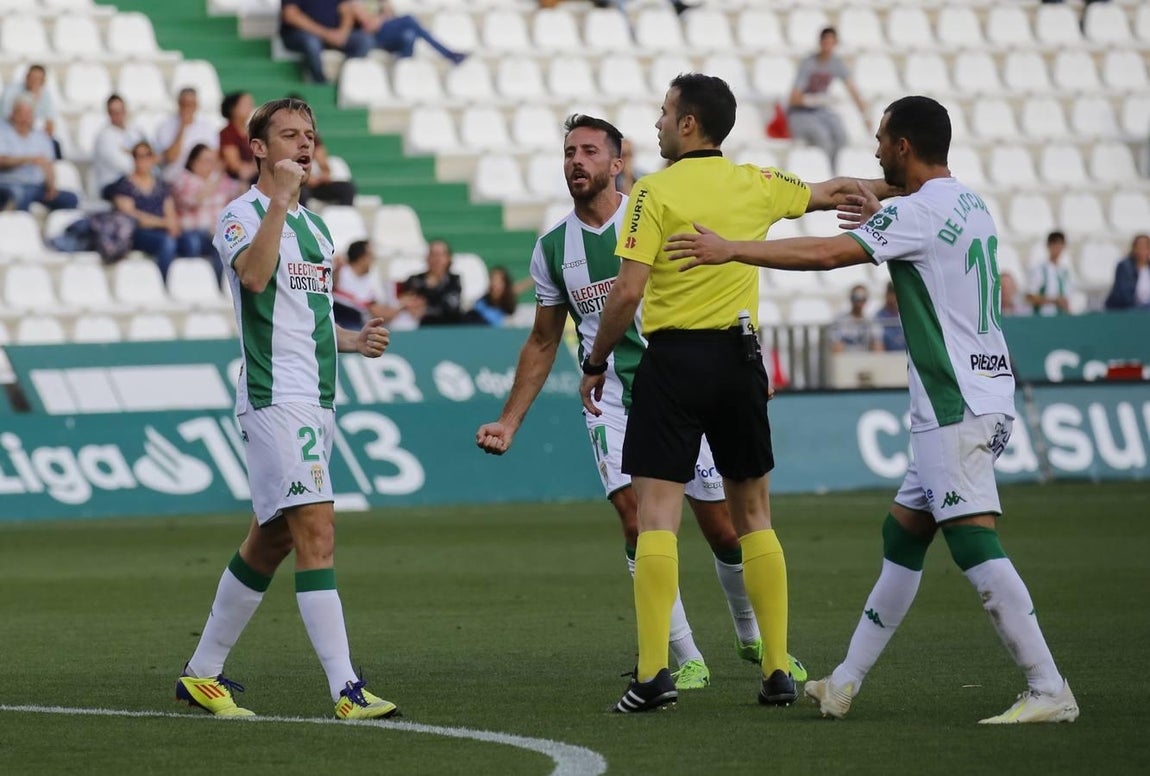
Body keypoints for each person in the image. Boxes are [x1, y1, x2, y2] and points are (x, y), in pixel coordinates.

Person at [664, 95, 1079, 725]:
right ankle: (845, 683)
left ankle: (1047, 687)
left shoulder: (915, 213)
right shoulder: (967, 201)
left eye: (882, 139)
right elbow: (914, 223)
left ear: (905, 146)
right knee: (903, 533)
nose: (875, 149)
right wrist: (884, 203)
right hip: (983, 387)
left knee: (972, 541)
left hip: (953, 400)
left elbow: (829, 255)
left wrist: (733, 248)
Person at [577, 74, 897, 713]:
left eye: (666, 112)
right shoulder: (759, 182)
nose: (659, 121)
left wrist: (595, 359)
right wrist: (907, 186)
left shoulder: (651, 194)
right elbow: (834, 191)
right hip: (739, 359)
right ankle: (777, 669)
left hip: (671, 363)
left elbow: (629, 292)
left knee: (658, 518)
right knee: (755, 517)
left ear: (689, 124)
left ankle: (653, 676)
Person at [478, 114, 803, 692]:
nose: (576, 161)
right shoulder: (554, 248)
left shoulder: (654, 209)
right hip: (612, 397)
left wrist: (742, 369)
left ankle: (753, 635)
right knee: (636, 517)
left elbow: (714, 289)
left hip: (683, 386)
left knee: (723, 529)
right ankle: (683, 655)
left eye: (588, 152)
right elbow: (545, 339)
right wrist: (509, 420)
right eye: (569, 152)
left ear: (616, 161)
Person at [176, 97, 398, 721]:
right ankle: (346, 689)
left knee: (270, 540)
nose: (304, 145)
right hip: (276, 399)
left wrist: (353, 341)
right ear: (259, 149)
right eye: (289, 136)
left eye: (309, 135)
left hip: (318, 398)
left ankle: (201, 673)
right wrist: (277, 200)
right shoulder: (241, 215)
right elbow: (253, 279)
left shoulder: (320, 228)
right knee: (318, 531)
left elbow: (309, 318)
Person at [787, 27, 868, 175]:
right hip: (801, 114)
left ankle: (837, 173)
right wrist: (816, 99)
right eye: (825, 42)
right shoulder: (809, 63)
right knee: (823, 137)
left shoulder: (836, 63)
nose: (828, 46)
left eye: (831, 42)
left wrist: (865, 115)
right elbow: (794, 99)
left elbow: (853, 89)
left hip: (820, 112)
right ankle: (827, 176)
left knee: (841, 136)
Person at [109, 141, 187, 280]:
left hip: (161, 231)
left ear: (152, 158)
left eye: (146, 155)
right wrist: (165, 223)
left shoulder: (160, 185)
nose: (142, 160)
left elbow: (169, 210)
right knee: (166, 243)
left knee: (191, 242)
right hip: (137, 233)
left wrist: (171, 225)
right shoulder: (124, 185)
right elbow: (132, 216)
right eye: (138, 156)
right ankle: (164, 282)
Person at [172, 143, 240, 280]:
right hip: (191, 232)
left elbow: (240, 192)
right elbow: (195, 200)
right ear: (193, 162)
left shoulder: (221, 180)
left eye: (212, 161)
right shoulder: (184, 179)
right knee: (197, 242)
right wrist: (218, 177)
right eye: (206, 160)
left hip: (215, 233)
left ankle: (220, 284)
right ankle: (194, 281)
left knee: (228, 242)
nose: (210, 165)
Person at [0, 97, 78, 211]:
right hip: (11, 184)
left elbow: (49, 166)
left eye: (28, 113)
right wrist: (28, 160)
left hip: (38, 187)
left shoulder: (42, 138)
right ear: (13, 114)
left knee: (71, 199)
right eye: (21, 113)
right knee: (20, 195)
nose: (25, 117)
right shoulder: (3, 135)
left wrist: (51, 186)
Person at [333, 238, 421, 330]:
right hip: (342, 325)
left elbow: (379, 312)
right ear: (361, 257)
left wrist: (403, 305)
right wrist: (402, 305)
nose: (373, 259)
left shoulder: (371, 280)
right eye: (371, 256)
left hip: (357, 326)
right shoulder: (341, 272)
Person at [280, 0, 372, 84]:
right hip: (301, 34)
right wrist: (325, 34)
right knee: (312, 43)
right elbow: (290, 15)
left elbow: (348, 7)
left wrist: (343, 33)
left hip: (335, 33)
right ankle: (320, 83)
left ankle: (348, 82)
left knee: (364, 40)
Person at [352, 1, 467, 65]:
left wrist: (381, 18)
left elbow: (391, 15)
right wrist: (382, 19)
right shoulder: (356, 3)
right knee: (409, 20)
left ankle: (404, 62)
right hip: (375, 38)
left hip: (388, 32)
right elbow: (368, 26)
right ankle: (449, 54)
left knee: (410, 35)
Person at [155, 87, 220, 178]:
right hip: (175, 178)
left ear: (197, 105)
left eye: (191, 104)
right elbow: (171, 157)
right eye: (184, 104)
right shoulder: (165, 126)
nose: (188, 108)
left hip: (201, 178)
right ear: (178, 104)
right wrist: (182, 127)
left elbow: (213, 158)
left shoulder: (207, 127)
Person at [93, 94, 145, 199]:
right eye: (114, 112)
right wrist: (138, 156)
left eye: (121, 111)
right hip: (113, 184)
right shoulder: (104, 137)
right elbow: (126, 166)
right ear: (108, 113)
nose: (119, 115)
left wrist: (130, 153)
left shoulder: (135, 130)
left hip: (135, 180)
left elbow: (150, 155)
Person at [402, 239, 464, 326]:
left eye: (441, 255)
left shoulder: (454, 280)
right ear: (427, 257)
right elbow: (407, 303)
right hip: (419, 328)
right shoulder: (415, 280)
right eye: (433, 254)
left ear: (449, 258)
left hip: (449, 328)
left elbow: (451, 308)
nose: (437, 259)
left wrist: (425, 308)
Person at [0, 64, 57, 140]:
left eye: (38, 79)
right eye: (32, 77)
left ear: (43, 81)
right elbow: (6, 118)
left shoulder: (46, 95)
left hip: (33, 136)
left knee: (54, 144)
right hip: (9, 133)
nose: (34, 81)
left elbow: (50, 124)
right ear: (26, 77)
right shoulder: (10, 91)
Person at [1026, 231, 1072, 316]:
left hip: (1062, 319)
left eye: (1060, 244)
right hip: (1044, 320)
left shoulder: (1065, 271)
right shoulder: (1040, 269)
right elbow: (1030, 297)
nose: (1057, 248)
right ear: (1048, 246)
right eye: (1054, 244)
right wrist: (1054, 301)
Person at [829, 283, 884, 353]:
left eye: (863, 298)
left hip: (866, 361)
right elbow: (836, 347)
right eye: (856, 298)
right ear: (851, 298)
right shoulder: (840, 321)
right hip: (846, 360)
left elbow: (878, 346)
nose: (859, 303)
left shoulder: (872, 322)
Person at [219, 91, 258, 184]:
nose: (250, 107)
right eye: (245, 104)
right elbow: (234, 165)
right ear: (233, 108)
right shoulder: (227, 133)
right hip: (235, 181)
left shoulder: (252, 131)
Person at [1104, 234, 1150, 310]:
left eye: (1146, 247)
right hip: (1127, 310)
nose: (1143, 250)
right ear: (1134, 248)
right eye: (1140, 247)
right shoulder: (1125, 267)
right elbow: (1123, 293)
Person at [874, 281, 905, 351]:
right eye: (891, 292)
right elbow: (878, 345)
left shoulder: (906, 316)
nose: (894, 297)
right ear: (886, 294)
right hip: (887, 359)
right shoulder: (878, 317)